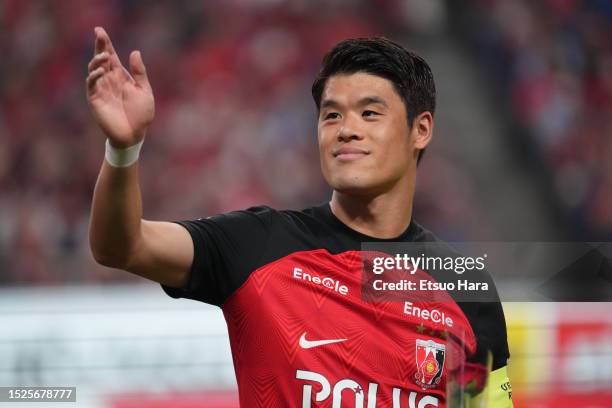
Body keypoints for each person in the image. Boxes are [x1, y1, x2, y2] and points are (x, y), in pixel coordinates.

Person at [87, 26, 513, 407]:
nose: (346, 129)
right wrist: (123, 151)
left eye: (369, 113)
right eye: (331, 115)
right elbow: (121, 246)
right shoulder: (257, 245)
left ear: (421, 130)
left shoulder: (464, 287)